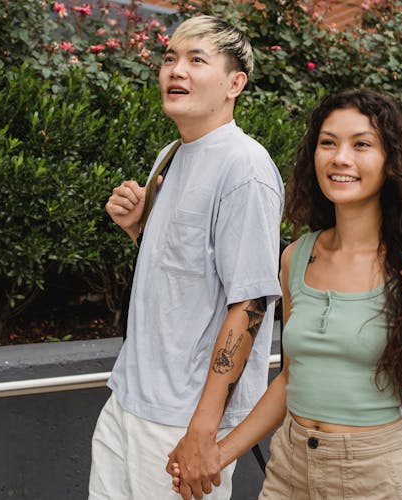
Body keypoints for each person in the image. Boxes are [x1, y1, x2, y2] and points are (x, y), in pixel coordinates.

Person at [169, 89, 402, 499]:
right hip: (289, 465)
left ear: (391, 162)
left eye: (361, 144)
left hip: (371, 472)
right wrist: (218, 454)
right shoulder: (296, 257)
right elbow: (290, 380)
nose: (340, 158)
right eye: (328, 143)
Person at [89, 15, 284, 500]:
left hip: (183, 421)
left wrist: (204, 429)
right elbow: (188, 278)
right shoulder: (171, 154)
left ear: (234, 83)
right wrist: (139, 230)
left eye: (197, 60)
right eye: (171, 58)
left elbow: (252, 304)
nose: (176, 70)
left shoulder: (246, 168)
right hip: (128, 402)